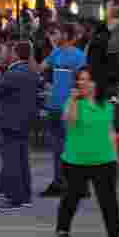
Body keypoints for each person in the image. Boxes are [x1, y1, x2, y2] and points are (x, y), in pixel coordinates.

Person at [54, 67, 119, 237]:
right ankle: (63, 227)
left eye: (87, 79)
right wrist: (75, 100)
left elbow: (110, 132)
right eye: (80, 79)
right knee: (72, 196)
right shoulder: (73, 102)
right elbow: (70, 121)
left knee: (109, 201)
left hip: (104, 161)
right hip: (76, 161)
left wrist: (117, 157)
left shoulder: (106, 105)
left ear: (96, 83)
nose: (83, 83)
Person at [0, 42, 42, 212]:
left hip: (11, 121)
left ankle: (15, 198)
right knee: (22, 160)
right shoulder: (32, 72)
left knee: (12, 161)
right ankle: (24, 196)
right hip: (25, 122)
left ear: (16, 54)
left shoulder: (13, 74)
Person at [39, 24, 87, 197]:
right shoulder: (56, 53)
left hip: (68, 107)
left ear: (66, 35)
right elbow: (40, 67)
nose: (53, 35)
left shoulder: (78, 56)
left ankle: (77, 185)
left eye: (56, 33)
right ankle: (59, 182)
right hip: (54, 106)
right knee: (58, 147)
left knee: (71, 147)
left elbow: (83, 82)